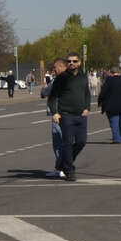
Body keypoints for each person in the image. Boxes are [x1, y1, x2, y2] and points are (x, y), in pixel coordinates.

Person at [48, 52, 91, 182]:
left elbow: (87, 93)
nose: (71, 63)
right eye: (69, 61)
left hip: (81, 115)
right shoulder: (61, 78)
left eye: (74, 61)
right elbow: (52, 97)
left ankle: (64, 162)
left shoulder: (83, 77)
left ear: (79, 63)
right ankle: (70, 170)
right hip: (66, 115)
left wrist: (87, 107)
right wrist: (55, 113)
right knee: (67, 142)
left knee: (81, 141)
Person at [40, 59, 67, 176]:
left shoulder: (57, 80)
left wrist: (44, 87)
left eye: (55, 68)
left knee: (58, 142)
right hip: (70, 114)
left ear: (61, 67)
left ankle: (60, 167)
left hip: (57, 114)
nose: (54, 70)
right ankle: (67, 166)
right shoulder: (73, 78)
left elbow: (44, 93)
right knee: (68, 141)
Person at [96, 68, 121, 143]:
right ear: (119, 73)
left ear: (111, 73)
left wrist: (99, 101)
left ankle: (117, 139)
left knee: (114, 123)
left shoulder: (109, 81)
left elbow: (102, 93)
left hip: (111, 105)